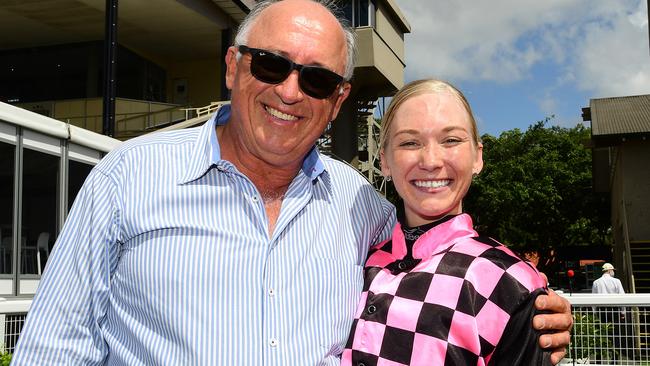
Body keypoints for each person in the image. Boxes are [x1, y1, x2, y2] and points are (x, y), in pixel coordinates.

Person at [12, 1, 571, 364]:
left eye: (318, 78)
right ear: (233, 66)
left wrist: (527, 311)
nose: (289, 91)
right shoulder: (126, 179)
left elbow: (444, 256)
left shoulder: (364, 212)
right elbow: (53, 350)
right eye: (271, 65)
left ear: (339, 101)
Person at [343, 79, 553, 365]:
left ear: (478, 157)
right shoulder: (357, 262)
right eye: (409, 142)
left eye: (451, 140)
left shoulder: (510, 281)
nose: (430, 160)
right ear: (385, 162)